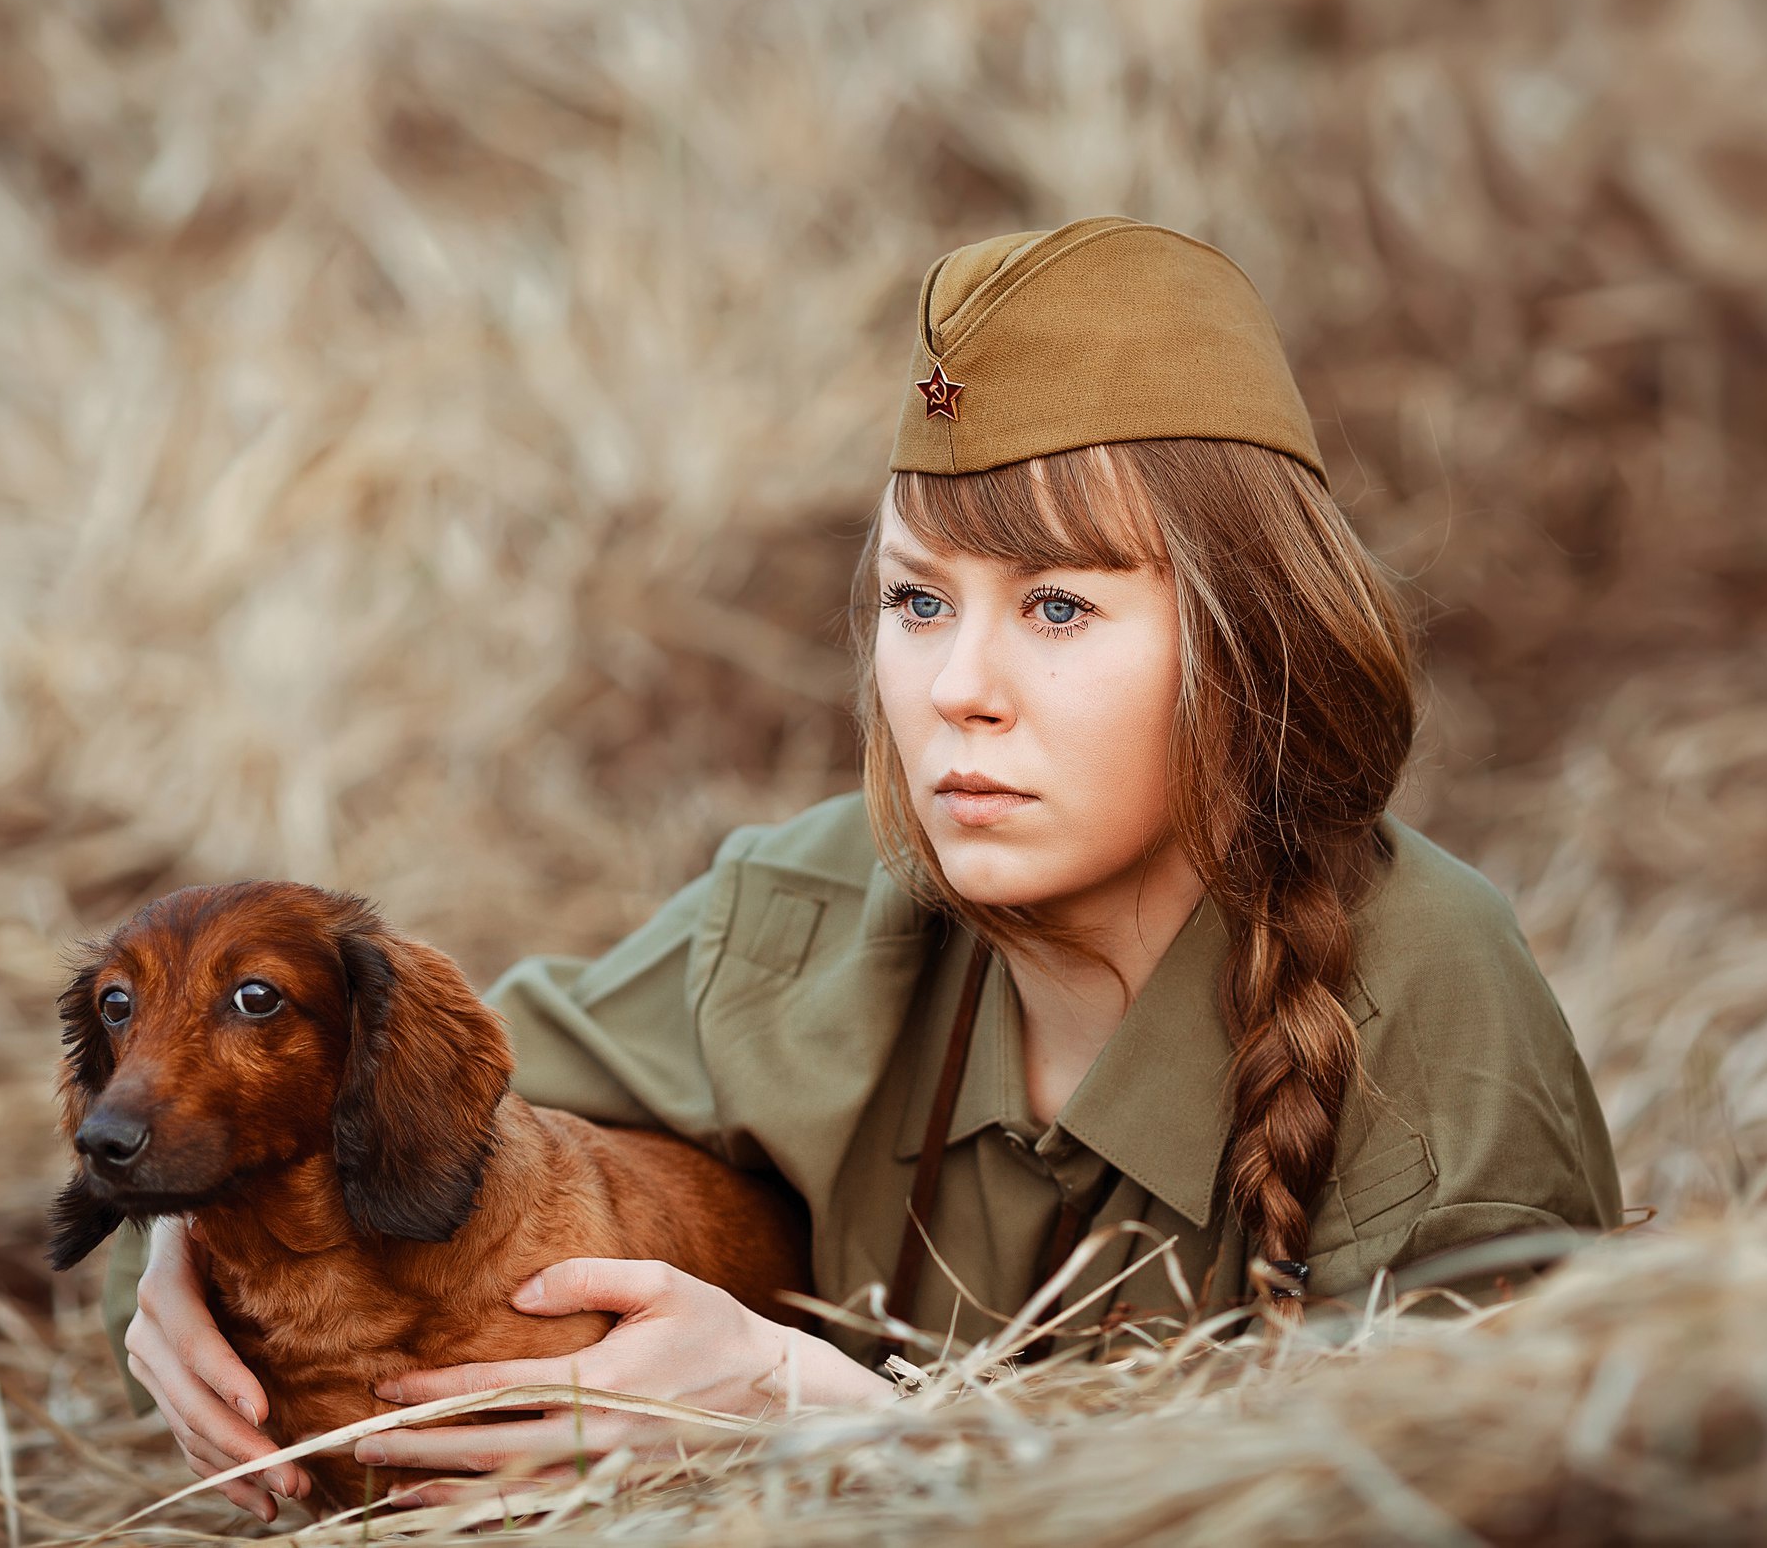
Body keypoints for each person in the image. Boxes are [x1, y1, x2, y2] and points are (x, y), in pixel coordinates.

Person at [98, 216, 1622, 1520]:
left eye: (1061, 609)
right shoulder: (810, 909)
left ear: (1252, 642)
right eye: (916, 600)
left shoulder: (1431, 991)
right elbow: (385, 1117)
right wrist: (189, 1265)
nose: (957, 686)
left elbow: (1461, 1511)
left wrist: (823, 1416)